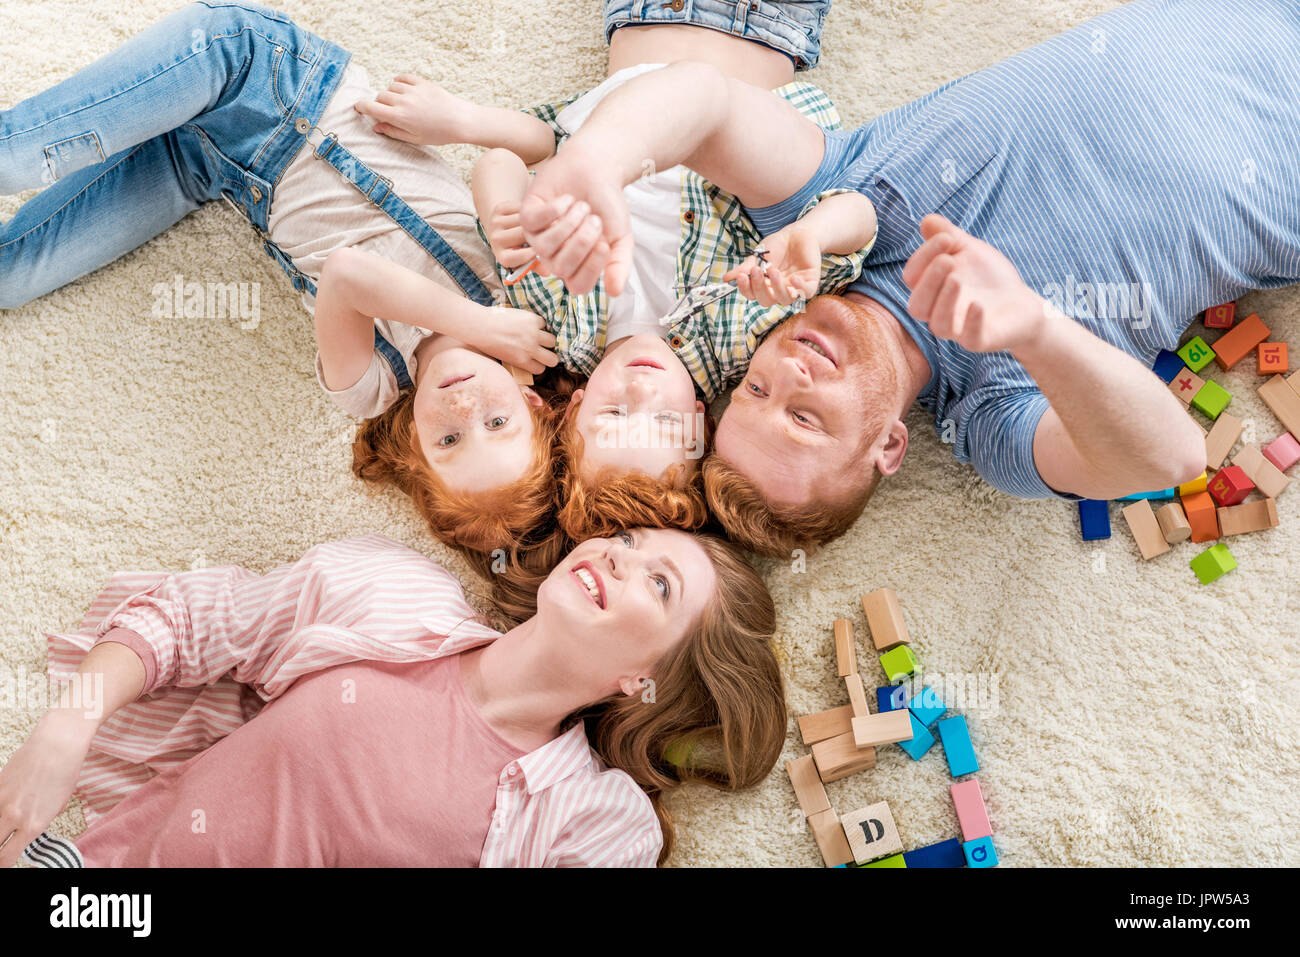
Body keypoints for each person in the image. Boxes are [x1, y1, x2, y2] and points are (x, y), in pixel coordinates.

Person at [514, 0, 1300, 555]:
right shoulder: (991, 414)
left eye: (756, 390)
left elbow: (707, 100)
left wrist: (596, 159)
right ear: (890, 445)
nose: (789, 371)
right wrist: (1033, 326)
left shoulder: (826, 215)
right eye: (807, 418)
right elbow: (1168, 460)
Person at [0, 1, 560, 555]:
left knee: (13, 274)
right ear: (532, 404)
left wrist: (478, 324)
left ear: (416, 444)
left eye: (449, 440)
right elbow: (544, 144)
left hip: (205, 166)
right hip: (264, 79)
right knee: (13, 158)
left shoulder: (370, 388)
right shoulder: (521, 299)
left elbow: (348, 275)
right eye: (496, 421)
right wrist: (462, 127)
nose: (464, 412)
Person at [353, 2, 870, 541]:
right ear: (701, 416)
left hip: (644, 20)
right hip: (757, 32)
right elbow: (859, 215)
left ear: (574, 408)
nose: (641, 391)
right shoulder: (737, 338)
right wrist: (813, 236)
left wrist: (498, 206)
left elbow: (518, 157)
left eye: (614, 414)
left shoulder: (553, 325)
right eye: (665, 422)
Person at [0, 531, 785, 867]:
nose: (618, 556)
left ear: (645, 681)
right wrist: (70, 721)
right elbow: (192, 618)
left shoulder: (594, 818)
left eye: (657, 582)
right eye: (630, 540)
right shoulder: (394, 594)